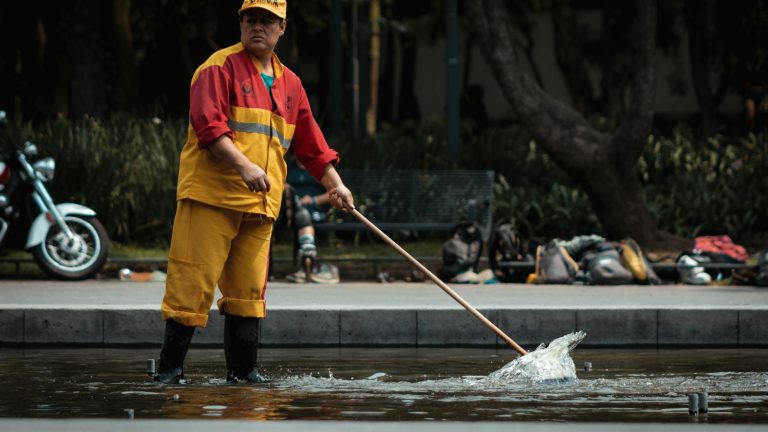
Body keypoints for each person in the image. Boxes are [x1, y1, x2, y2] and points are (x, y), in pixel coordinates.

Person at [154, 0, 354, 385]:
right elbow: (208, 127)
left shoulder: (291, 84)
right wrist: (244, 166)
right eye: (251, 19)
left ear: (282, 28)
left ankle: (244, 374)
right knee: (191, 284)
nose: (258, 27)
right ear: (241, 23)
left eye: (267, 21)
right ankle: (169, 372)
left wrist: (336, 185)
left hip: (261, 204)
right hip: (211, 196)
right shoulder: (217, 67)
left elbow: (311, 145)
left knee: (249, 291)